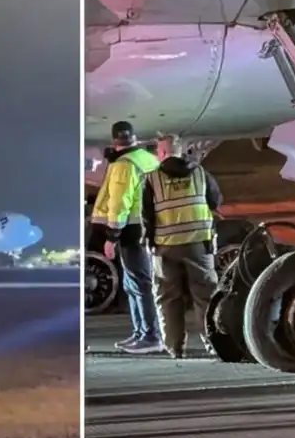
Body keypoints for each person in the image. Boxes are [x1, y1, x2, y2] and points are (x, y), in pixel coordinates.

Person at [142, 134, 223, 359]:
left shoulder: (152, 179)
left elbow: (147, 216)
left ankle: (175, 347)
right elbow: (216, 201)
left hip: (165, 247)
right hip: (199, 244)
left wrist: (149, 242)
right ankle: (215, 343)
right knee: (205, 296)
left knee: (168, 298)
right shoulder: (200, 173)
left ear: (162, 153)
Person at [89, 121, 163, 354]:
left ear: (114, 141)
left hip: (130, 230)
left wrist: (112, 235)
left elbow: (119, 202)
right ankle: (142, 332)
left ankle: (150, 335)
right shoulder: (149, 159)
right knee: (137, 282)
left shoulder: (123, 165)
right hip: (146, 226)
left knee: (139, 283)